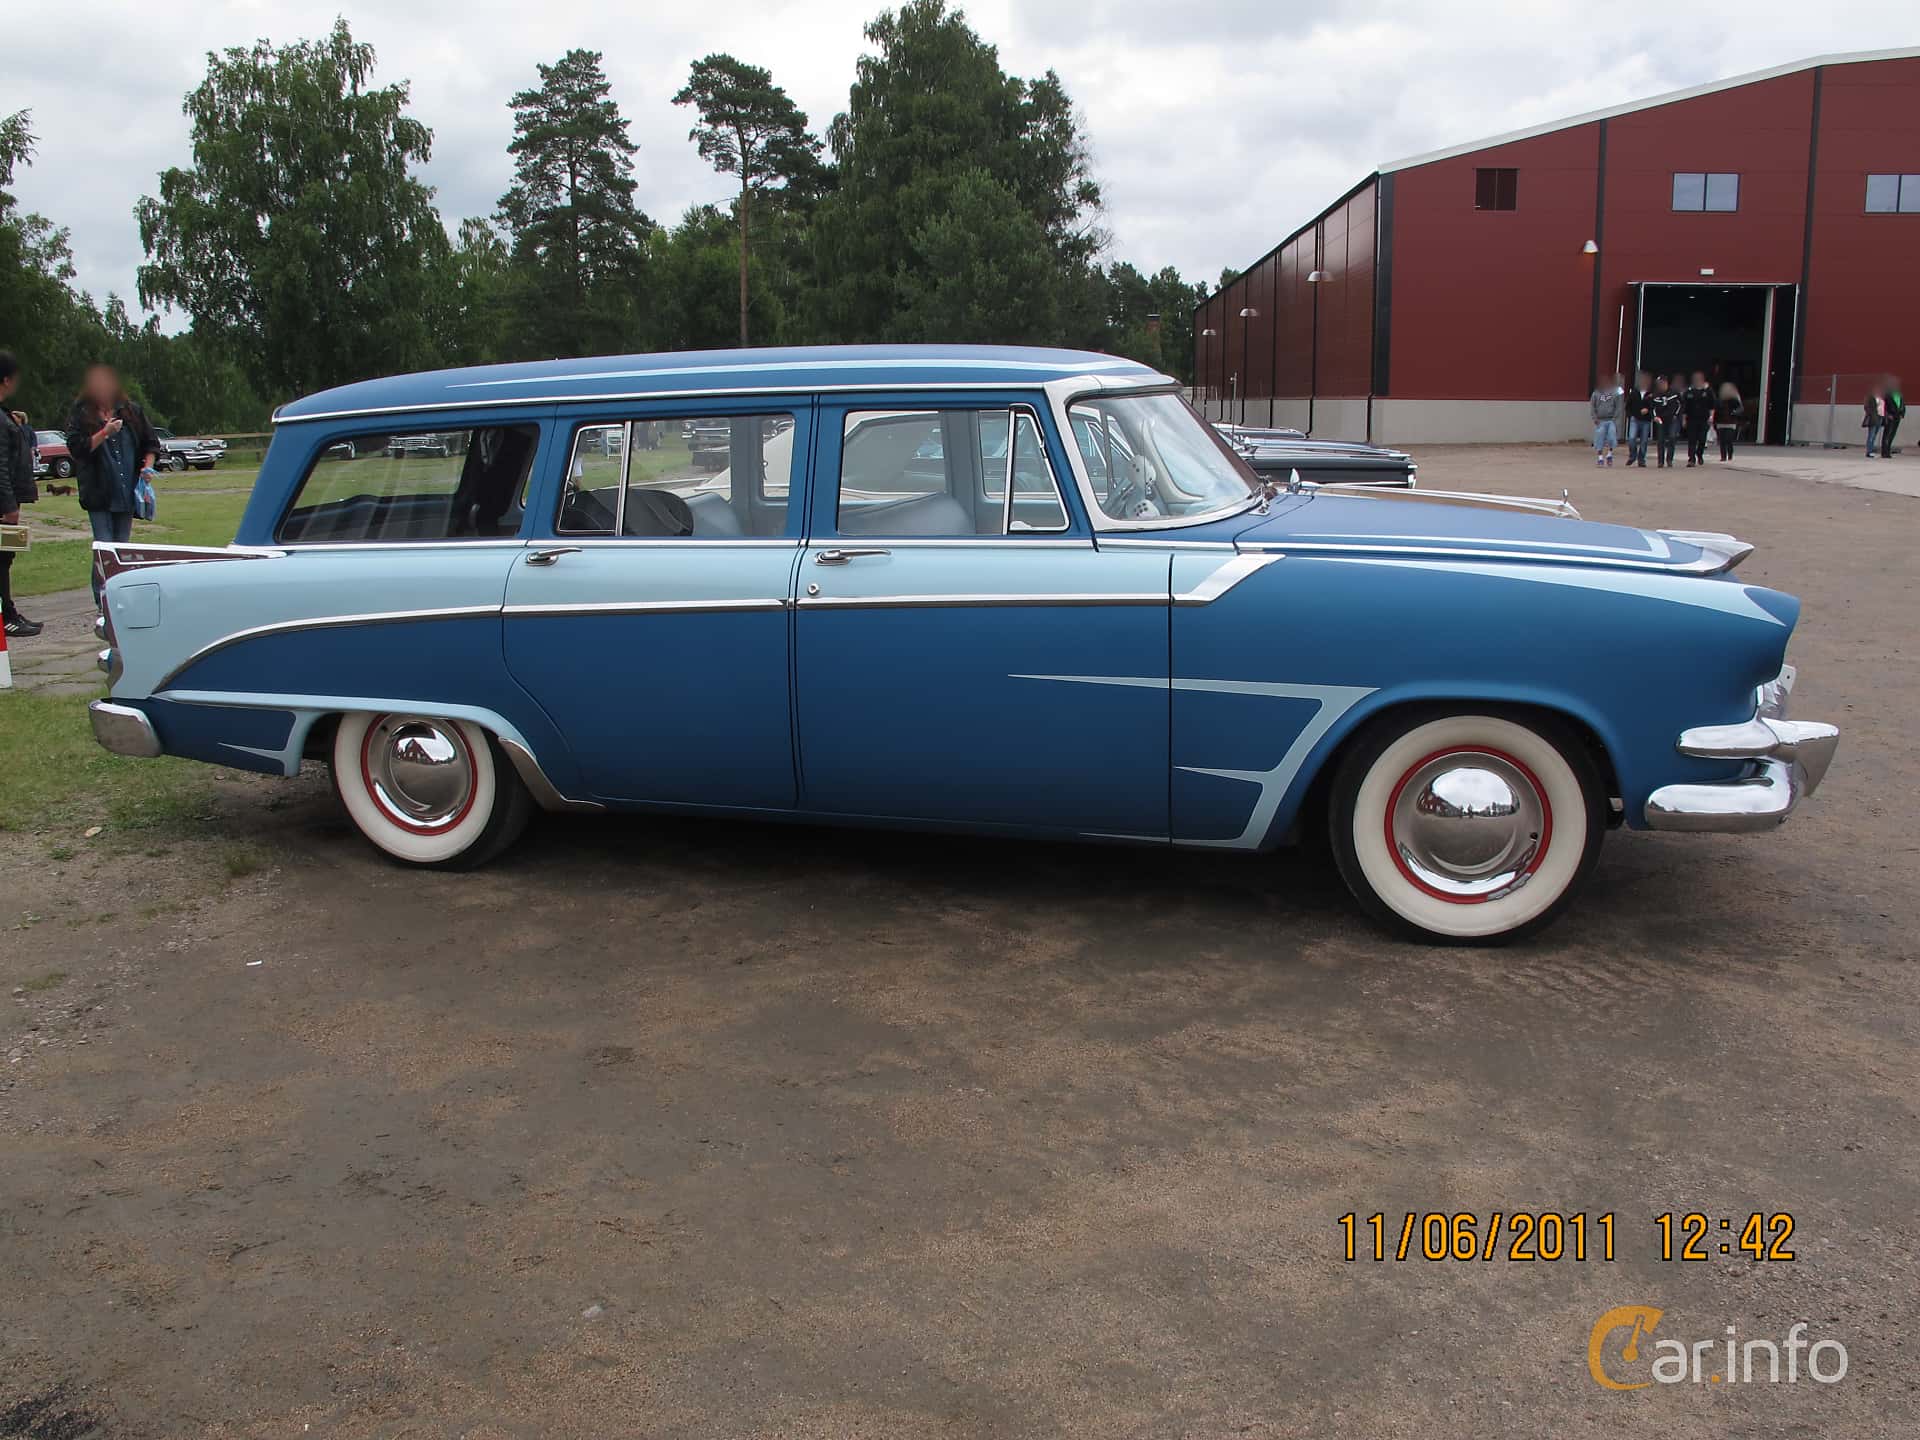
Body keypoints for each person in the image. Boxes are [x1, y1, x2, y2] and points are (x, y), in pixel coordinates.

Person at [64, 363, 159, 606]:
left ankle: (122, 598)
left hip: (126, 491)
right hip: (98, 492)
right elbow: (78, 450)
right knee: (104, 548)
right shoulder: (81, 414)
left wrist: (147, 467)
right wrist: (104, 432)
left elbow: (150, 443)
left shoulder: (131, 411)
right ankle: (103, 601)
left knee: (122, 548)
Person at [0, 350, 44, 637]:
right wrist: (8, 505)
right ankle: (6, 616)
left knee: (6, 558)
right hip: (4, 504)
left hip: (9, 498)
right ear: (6, 380)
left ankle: (9, 611)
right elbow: (0, 464)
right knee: (2, 559)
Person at [1681, 370, 1715, 467]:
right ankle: (1691, 459)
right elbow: (1685, 407)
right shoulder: (1688, 392)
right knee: (1692, 440)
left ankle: (1699, 454)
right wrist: (1683, 419)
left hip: (1704, 419)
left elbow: (1712, 405)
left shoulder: (1708, 391)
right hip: (1691, 419)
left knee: (1702, 439)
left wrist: (1711, 416)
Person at [1589, 372, 1624, 467]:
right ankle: (1600, 458)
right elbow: (1592, 406)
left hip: (1611, 420)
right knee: (1599, 438)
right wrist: (1594, 418)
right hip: (1600, 420)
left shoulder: (1615, 393)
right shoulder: (1596, 394)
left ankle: (1609, 454)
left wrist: (1615, 418)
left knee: (1612, 437)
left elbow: (1618, 406)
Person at [1649, 373, 1682, 468]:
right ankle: (1660, 461)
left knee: (1672, 437)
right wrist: (1655, 417)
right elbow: (1652, 407)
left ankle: (1669, 459)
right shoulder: (1655, 395)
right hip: (1661, 420)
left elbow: (1681, 404)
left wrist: (1676, 414)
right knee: (1661, 440)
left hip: (1672, 419)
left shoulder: (1674, 393)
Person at [1625, 370, 1654, 467]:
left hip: (1646, 420)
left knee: (1644, 441)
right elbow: (1628, 406)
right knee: (1632, 438)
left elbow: (1655, 406)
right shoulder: (1634, 392)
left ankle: (1641, 459)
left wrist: (1648, 411)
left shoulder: (1651, 394)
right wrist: (1630, 415)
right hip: (1635, 419)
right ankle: (1632, 456)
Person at [1715, 381, 1745, 461]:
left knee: (1729, 440)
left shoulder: (1734, 400)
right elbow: (1716, 411)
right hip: (1721, 422)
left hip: (1731, 422)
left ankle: (1730, 454)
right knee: (1722, 441)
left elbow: (1740, 408)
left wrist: (1734, 412)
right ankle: (1723, 456)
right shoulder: (1719, 401)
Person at [1863, 380, 1888, 459]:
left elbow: (1883, 407)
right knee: (1871, 435)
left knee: (1874, 435)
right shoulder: (1870, 397)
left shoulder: (1881, 398)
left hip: (1880, 417)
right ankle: (1869, 452)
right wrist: (1872, 414)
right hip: (1874, 418)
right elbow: (1866, 407)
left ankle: (1871, 451)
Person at [1882, 375, 1905, 458]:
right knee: (1887, 434)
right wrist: (1888, 414)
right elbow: (1884, 406)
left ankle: (1888, 451)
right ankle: (1884, 452)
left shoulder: (1899, 394)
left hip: (1897, 416)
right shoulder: (1887, 394)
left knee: (1892, 434)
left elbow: (1902, 404)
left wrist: (1902, 414)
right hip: (1890, 416)